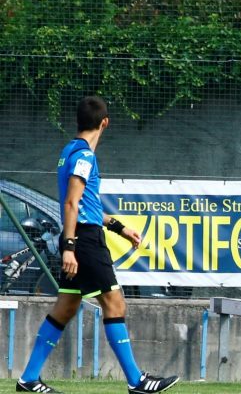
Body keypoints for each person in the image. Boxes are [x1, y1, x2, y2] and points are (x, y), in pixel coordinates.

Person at [16, 96, 179, 394]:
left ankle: (28, 379)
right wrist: (69, 245)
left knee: (66, 307)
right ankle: (136, 381)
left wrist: (119, 228)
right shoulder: (84, 157)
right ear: (105, 123)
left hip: (84, 234)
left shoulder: (70, 151)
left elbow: (85, 204)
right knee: (115, 303)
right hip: (85, 241)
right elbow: (71, 203)